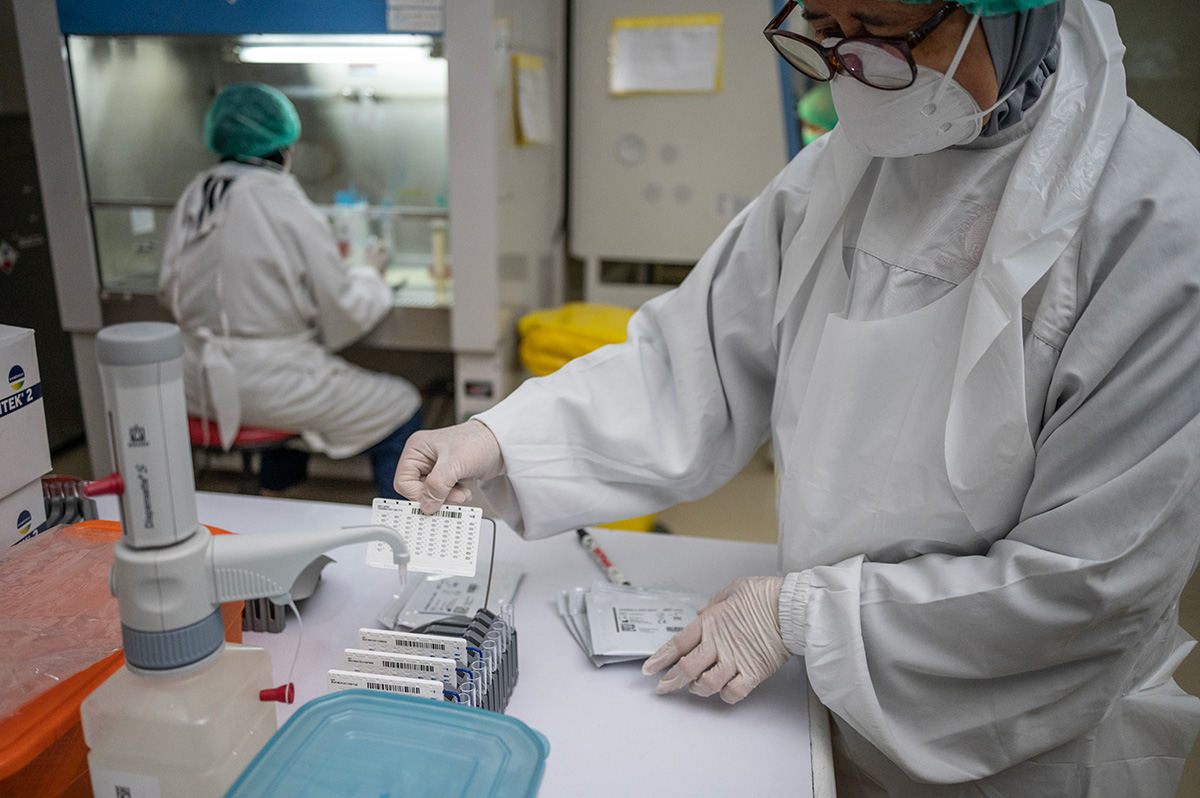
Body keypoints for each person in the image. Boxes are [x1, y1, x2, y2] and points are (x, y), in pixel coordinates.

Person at [395, 1, 1200, 795]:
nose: (856, 69)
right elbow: (694, 361)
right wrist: (501, 438)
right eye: (824, 30)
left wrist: (807, 616)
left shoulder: (1156, 224)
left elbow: (1089, 581)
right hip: (816, 690)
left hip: (1024, 740)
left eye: (883, 29)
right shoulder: (838, 169)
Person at [160, 82, 421, 499]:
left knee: (308, 388)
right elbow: (345, 309)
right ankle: (402, 541)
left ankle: (272, 496)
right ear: (284, 145)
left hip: (193, 379)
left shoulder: (198, 192)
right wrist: (370, 274)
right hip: (270, 384)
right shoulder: (282, 199)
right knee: (401, 404)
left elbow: (167, 286)